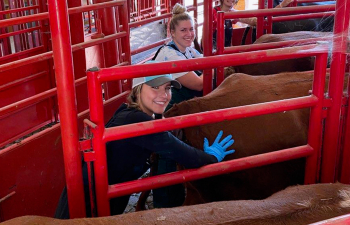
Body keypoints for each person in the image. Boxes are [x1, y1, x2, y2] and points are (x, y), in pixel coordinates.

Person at [54, 61, 235, 217]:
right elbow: (186, 156)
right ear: (138, 89)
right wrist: (212, 157)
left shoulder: (129, 111)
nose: (163, 95)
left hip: (94, 193)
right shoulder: (139, 122)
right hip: (89, 203)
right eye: (155, 87)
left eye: (168, 88)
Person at [153, 3, 204, 111]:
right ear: (173, 32)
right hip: (164, 109)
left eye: (191, 29)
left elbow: (204, 60)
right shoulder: (170, 55)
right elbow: (199, 84)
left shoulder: (188, 49)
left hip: (175, 102)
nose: (189, 34)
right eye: (183, 30)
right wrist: (214, 68)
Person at [213, 0, 294, 47]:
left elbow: (257, 21)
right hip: (213, 50)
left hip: (225, 50)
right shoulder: (213, 12)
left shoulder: (233, 13)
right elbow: (206, 37)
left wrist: (281, 6)